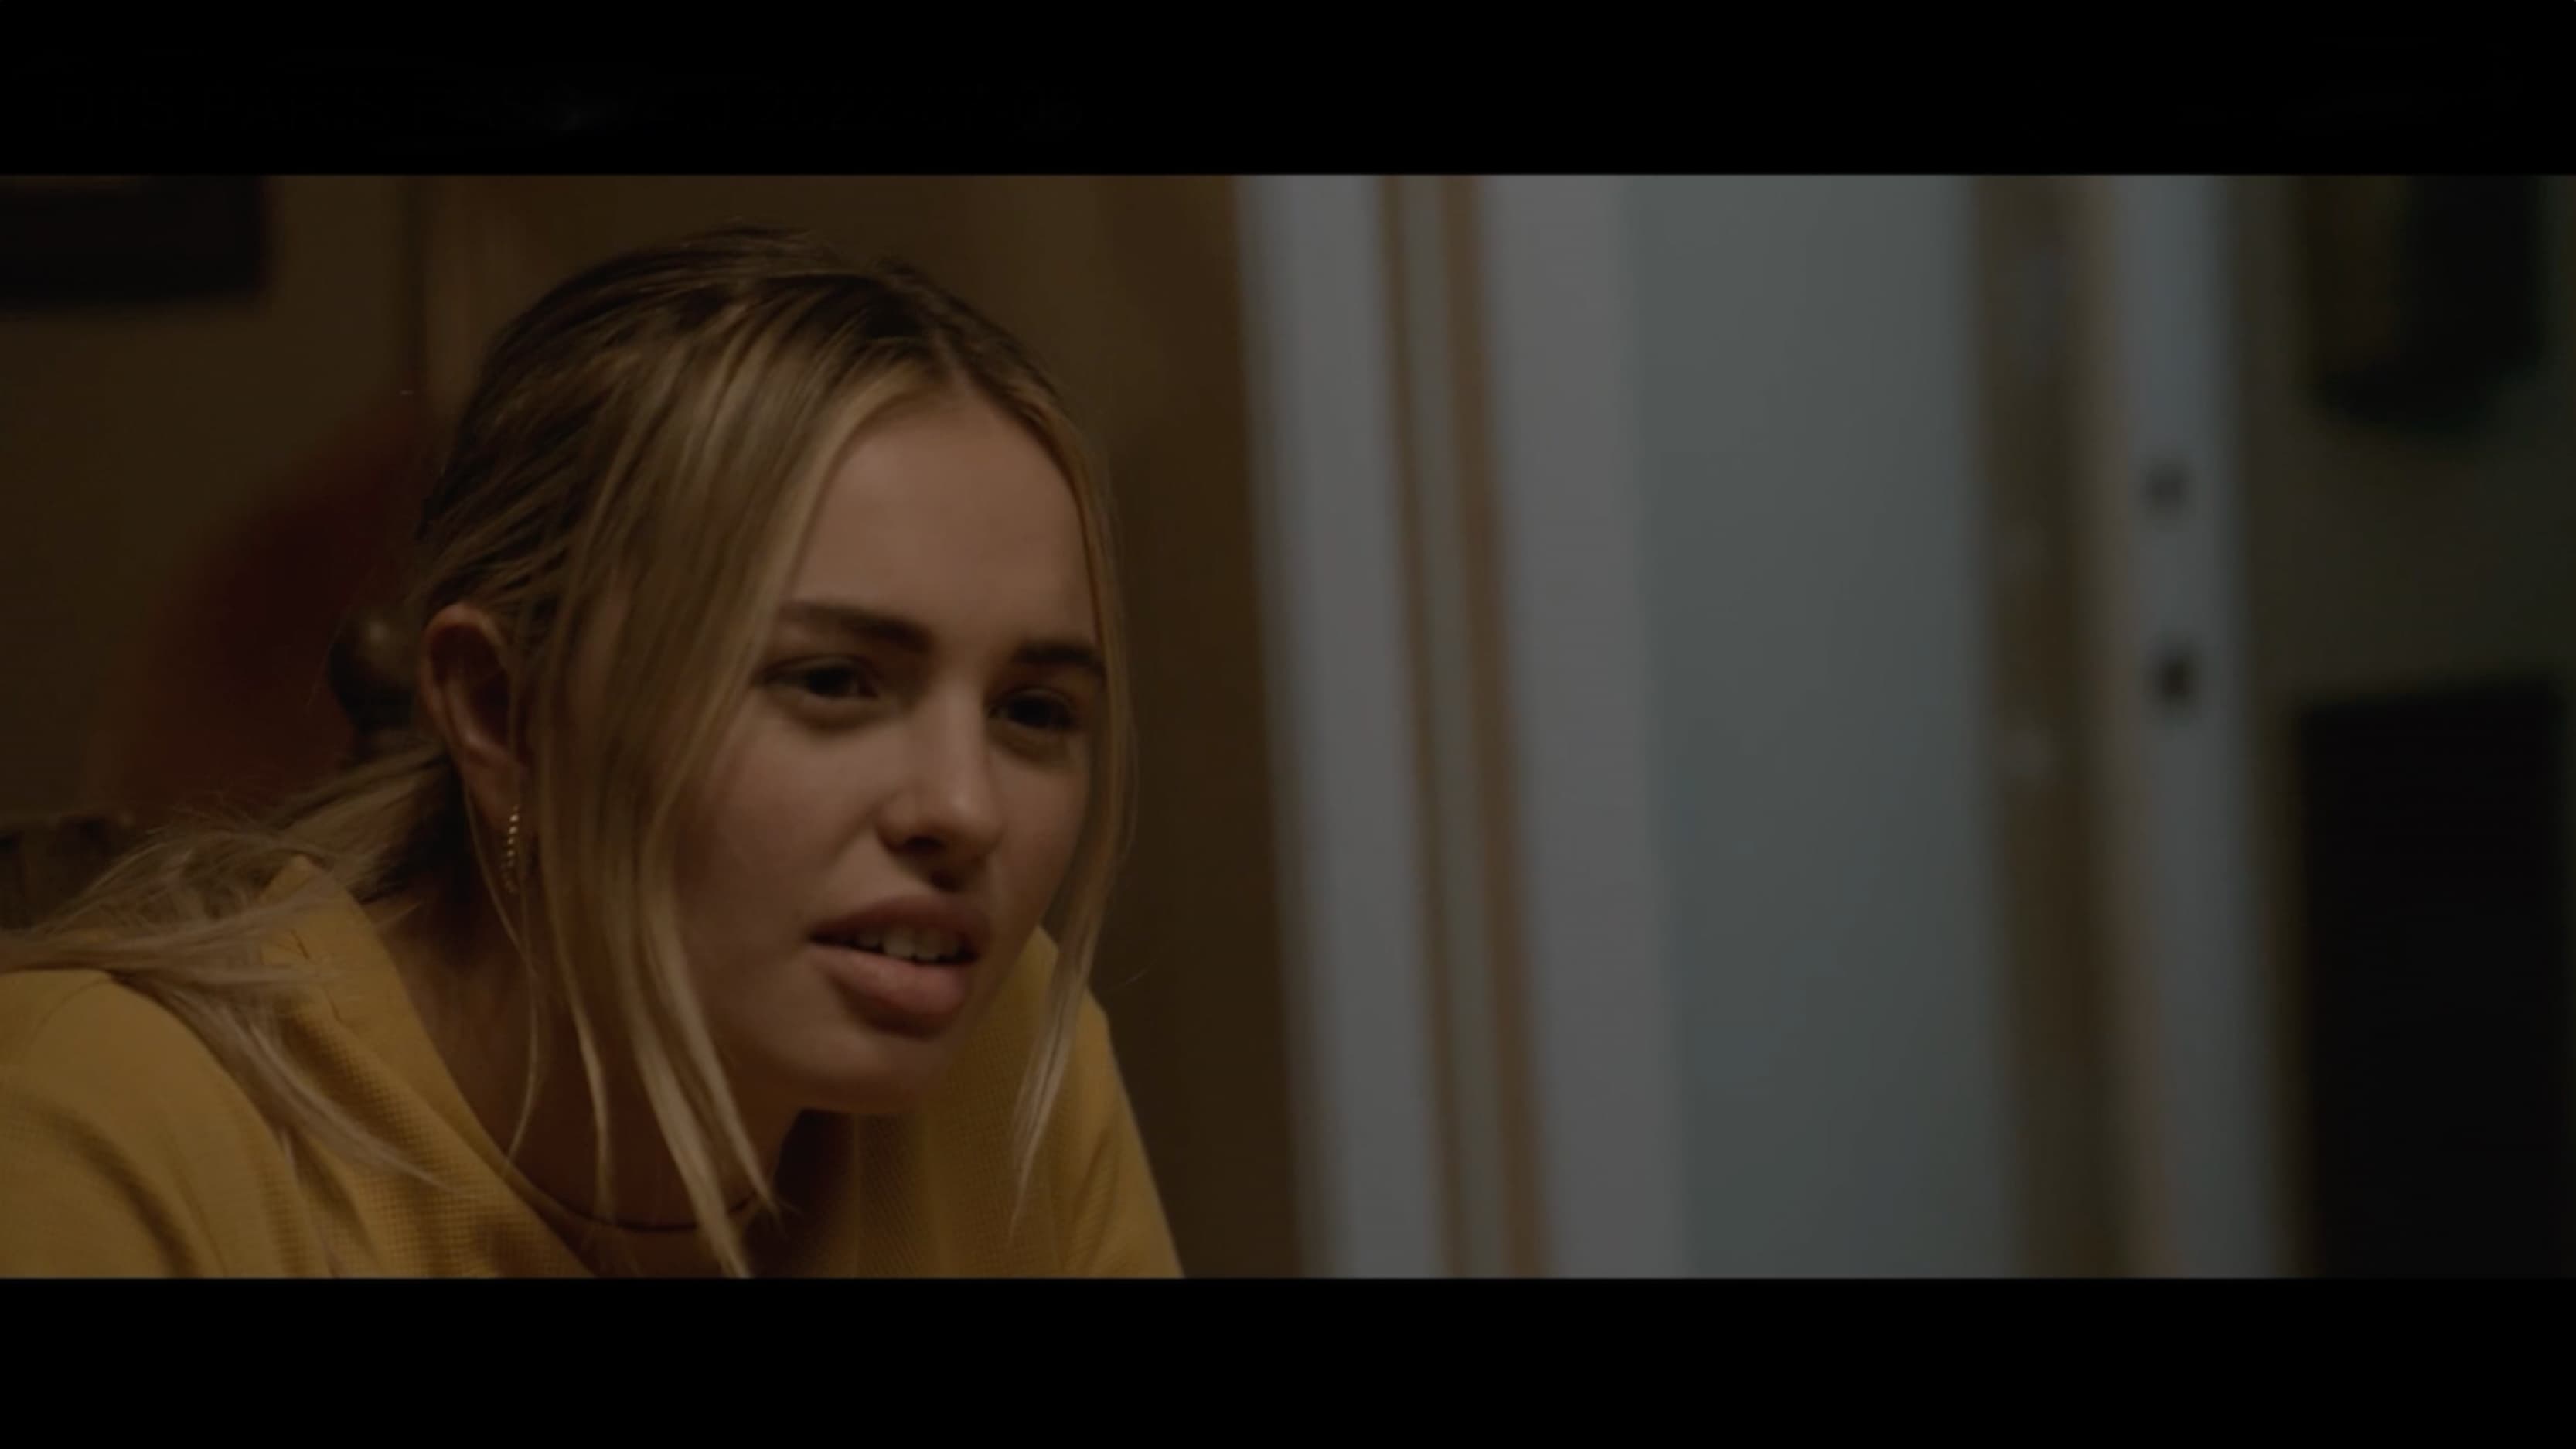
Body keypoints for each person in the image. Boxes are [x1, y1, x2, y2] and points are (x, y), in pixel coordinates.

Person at [0, 225, 1179, 1277]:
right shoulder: (113, 1135)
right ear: (501, 712)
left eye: (1033, 711)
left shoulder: (1010, 1061)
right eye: (830, 681)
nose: (967, 809)